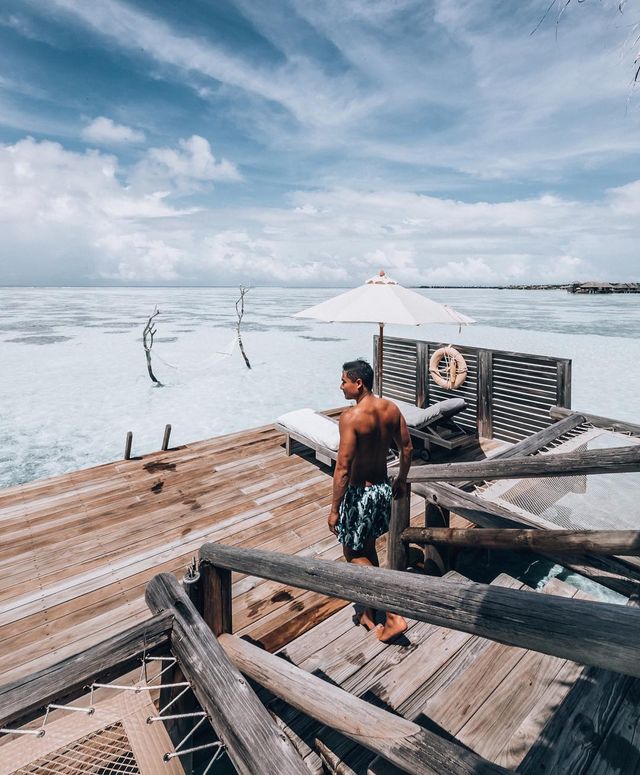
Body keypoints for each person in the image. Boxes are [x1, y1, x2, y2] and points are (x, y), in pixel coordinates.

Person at [328, 359, 413, 642]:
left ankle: (392, 614)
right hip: (382, 491)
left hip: (359, 494)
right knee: (367, 548)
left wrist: (334, 509)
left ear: (358, 383)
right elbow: (407, 447)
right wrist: (400, 478)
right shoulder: (391, 408)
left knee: (352, 554)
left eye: (344, 381)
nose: (341, 386)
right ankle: (368, 610)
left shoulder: (351, 418)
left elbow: (342, 468)